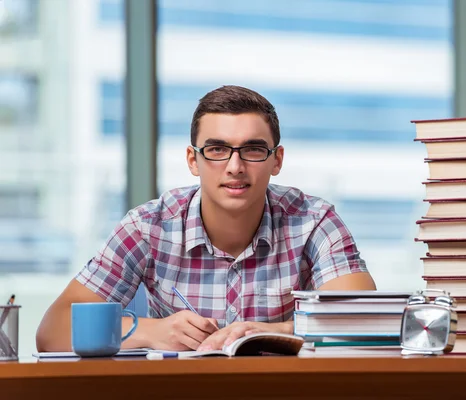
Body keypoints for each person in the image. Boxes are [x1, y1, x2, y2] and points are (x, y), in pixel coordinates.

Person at [36, 85, 376, 352]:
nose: (235, 166)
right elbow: (53, 331)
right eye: (216, 150)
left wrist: (275, 333)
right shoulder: (147, 226)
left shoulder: (313, 221)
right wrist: (151, 330)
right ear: (193, 160)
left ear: (277, 160)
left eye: (254, 150)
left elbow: (362, 323)